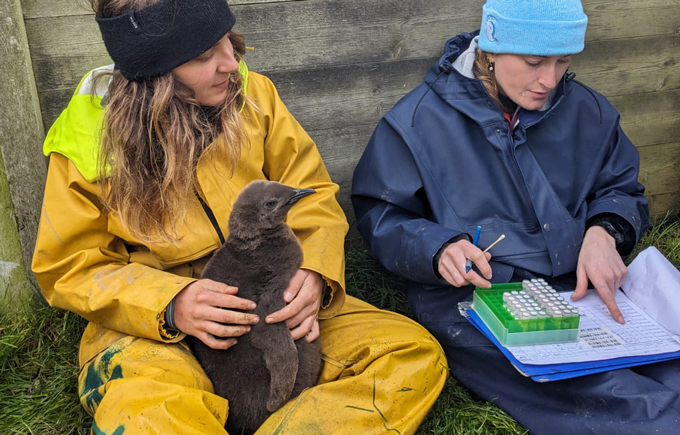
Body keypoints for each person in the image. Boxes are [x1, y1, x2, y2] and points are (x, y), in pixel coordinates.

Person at [31, 0, 448, 433]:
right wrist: (170, 304)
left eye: (227, 41)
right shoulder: (86, 140)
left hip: (273, 292)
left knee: (409, 355)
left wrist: (313, 271)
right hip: (146, 325)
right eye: (203, 55)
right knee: (145, 412)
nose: (231, 63)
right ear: (153, 76)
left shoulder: (255, 96)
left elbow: (312, 195)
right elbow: (70, 266)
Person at [351, 0, 680, 433]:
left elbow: (620, 188)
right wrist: (439, 248)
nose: (550, 79)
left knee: (668, 356)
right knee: (609, 394)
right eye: (533, 61)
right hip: (479, 293)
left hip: (579, 279)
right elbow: (382, 213)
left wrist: (605, 233)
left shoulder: (588, 110)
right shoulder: (417, 122)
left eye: (563, 61)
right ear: (490, 49)